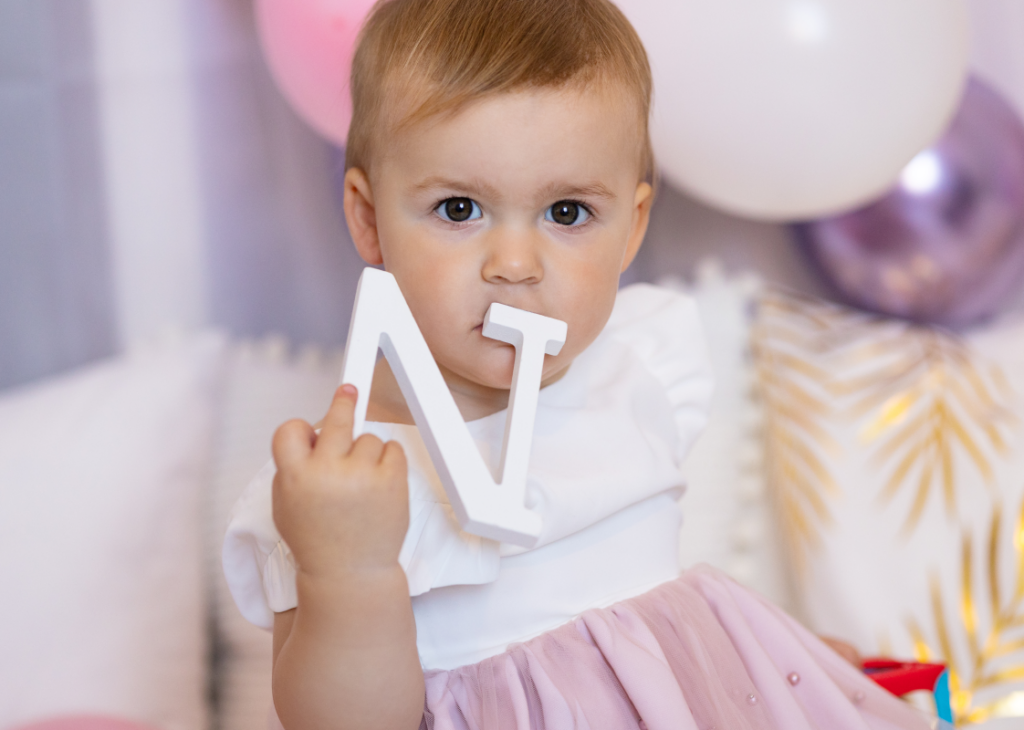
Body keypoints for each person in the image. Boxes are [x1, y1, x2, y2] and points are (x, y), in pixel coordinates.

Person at [223, 0, 934, 728]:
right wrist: (348, 572)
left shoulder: (642, 362)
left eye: (566, 214)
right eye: (459, 209)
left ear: (631, 228)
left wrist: (785, 664)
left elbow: (664, 634)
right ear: (370, 220)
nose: (514, 264)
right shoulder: (339, 485)